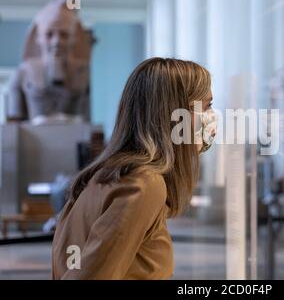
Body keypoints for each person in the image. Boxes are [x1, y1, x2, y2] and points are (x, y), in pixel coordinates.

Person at [52, 58, 215, 279]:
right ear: (176, 114)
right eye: (206, 106)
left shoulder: (111, 175)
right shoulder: (143, 183)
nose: (211, 117)